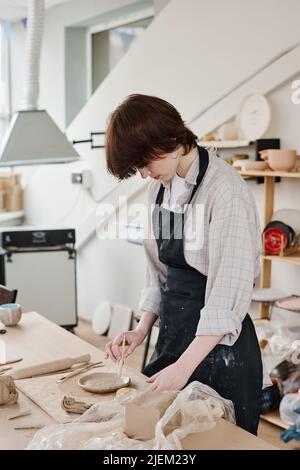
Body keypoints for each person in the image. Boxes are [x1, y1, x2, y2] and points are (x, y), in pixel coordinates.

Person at [104, 94, 263, 434]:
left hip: (219, 351)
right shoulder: (159, 191)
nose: (144, 175)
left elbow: (226, 297)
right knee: (160, 438)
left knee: (214, 440)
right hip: (173, 338)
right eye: (137, 169)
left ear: (171, 140)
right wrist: (142, 328)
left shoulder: (225, 191)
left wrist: (184, 367)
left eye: (144, 162)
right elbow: (158, 273)